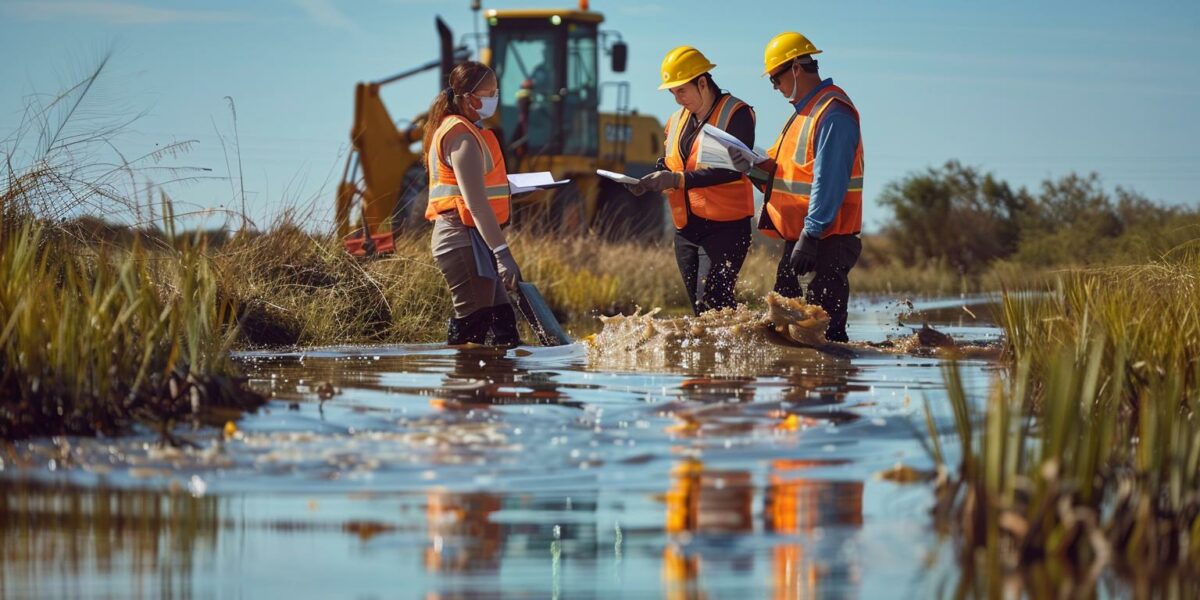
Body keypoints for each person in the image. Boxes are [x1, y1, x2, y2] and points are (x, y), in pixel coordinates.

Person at [728, 32, 865, 342]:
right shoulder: (802, 114)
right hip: (805, 239)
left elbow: (829, 180)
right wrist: (748, 167)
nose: (775, 88)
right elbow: (782, 179)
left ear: (796, 69)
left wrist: (811, 234)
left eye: (775, 79)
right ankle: (797, 389)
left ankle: (831, 387)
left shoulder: (833, 113)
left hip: (826, 240)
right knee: (786, 332)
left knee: (825, 337)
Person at [631, 46, 756, 315]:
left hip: (727, 227)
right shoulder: (676, 120)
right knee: (701, 309)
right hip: (686, 230)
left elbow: (734, 169)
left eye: (682, 91)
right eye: (673, 93)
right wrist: (653, 177)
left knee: (712, 302)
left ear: (702, 82)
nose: (677, 100)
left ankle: (735, 351)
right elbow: (670, 161)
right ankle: (728, 350)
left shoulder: (737, 113)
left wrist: (675, 179)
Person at [423, 61, 523, 346]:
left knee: (503, 331)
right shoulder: (462, 136)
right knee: (473, 333)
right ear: (468, 97)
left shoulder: (468, 130)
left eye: (496, 91)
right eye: (488, 92)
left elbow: (480, 191)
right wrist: (503, 256)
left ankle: (491, 388)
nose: (494, 98)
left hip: (473, 237)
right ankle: (461, 388)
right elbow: (477, 204)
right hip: (461, 239)